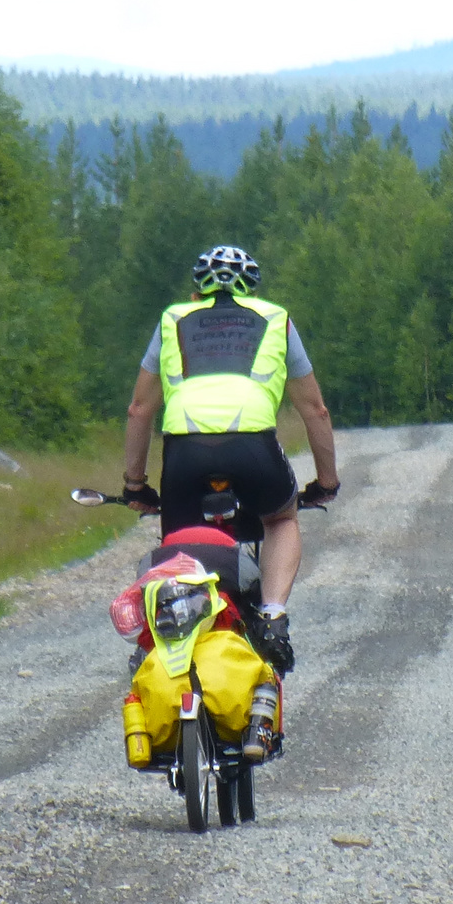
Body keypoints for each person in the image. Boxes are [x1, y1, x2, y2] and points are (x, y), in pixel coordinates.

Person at [120, 245, 340, 675]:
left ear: (197, 289)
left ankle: (170, 643)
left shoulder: (173, 319)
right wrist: (326, 481)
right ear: (252, 287)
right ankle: (273, 614)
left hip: (184, 452)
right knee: (280, 519)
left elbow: (139, 410)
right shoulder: (277, 319)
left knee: (182, 542)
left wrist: (134, 484)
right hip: (253, 445)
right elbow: (316, 410)